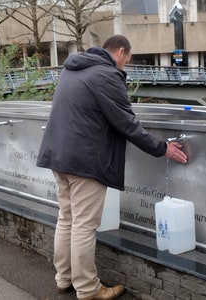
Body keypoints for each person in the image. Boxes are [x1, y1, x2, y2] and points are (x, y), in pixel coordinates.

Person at [36, 34, 187, 300]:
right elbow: (127, 123)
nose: (125, 66)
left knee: (67, 218)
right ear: (120, 52)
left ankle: (64, 278)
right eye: (127, 59)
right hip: (85, 160)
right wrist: (162, 148)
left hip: (58, 155)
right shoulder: (105, 75)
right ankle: (87, 289)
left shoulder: (73, 70)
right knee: (83, 224)